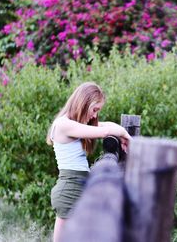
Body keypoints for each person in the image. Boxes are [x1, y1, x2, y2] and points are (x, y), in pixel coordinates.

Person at [46, 82, 131, 242]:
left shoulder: (73, 124)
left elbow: (106, 125)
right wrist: (128, 137)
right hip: (69, 190)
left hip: (76, 188)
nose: (94, 115)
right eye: (95, 109)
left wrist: (124, 134)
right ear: (84, 102)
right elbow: (104, 131)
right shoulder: (63, 124)